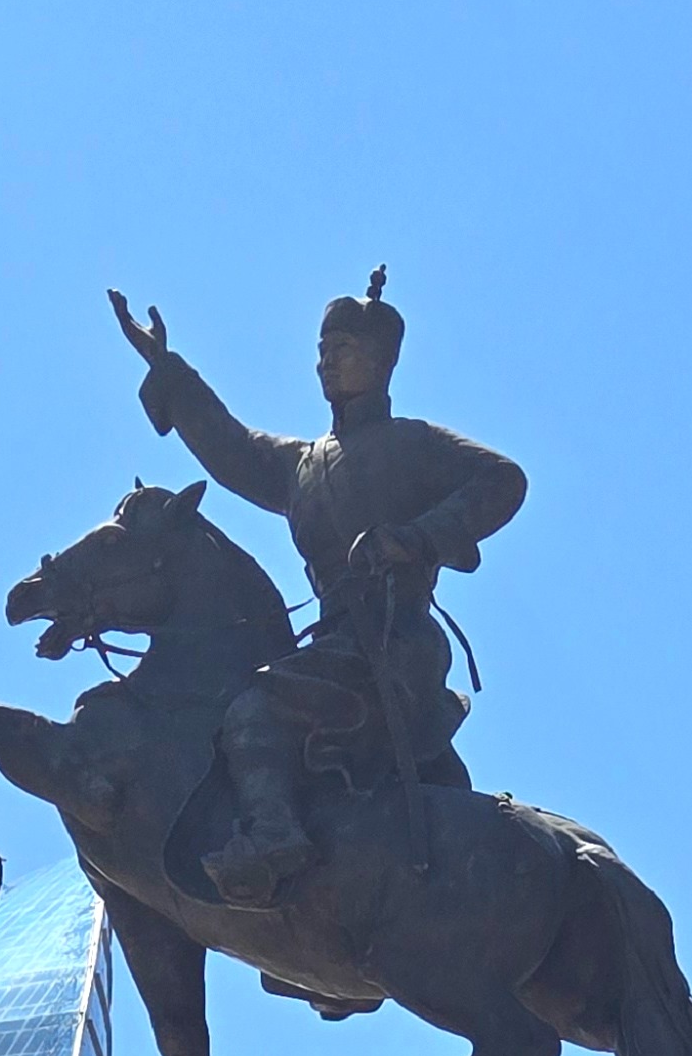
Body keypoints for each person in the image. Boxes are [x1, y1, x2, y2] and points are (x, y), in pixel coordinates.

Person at [110, 273, 527, 902]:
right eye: (322, 350)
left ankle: (274, 837)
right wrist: (167, 368)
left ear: (382, 363)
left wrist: (416, 538)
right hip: (331, 643)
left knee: (253, 707)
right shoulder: (301, 463)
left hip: (393, 641)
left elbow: (503, 479)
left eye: (344, 349)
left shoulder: (415, 443)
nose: (327, 362)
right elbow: (232, 446)